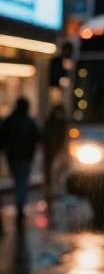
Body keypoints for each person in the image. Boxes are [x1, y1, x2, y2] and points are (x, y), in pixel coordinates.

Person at [0, 97, 41, 229]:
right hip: (25, 158)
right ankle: (20, 208)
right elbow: (37, 137)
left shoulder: (10, 120)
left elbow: (3, 137)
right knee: (22, 183)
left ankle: (20, 207)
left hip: (13, 157)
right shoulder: (29, 122)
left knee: (18, 181)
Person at [42, 99, 67, 202]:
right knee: (52, 172)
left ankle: (53, 191)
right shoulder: (56, 123)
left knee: (55, 172)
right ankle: (51, 192)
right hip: (52, 152)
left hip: (55, 151)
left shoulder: (55, 123)